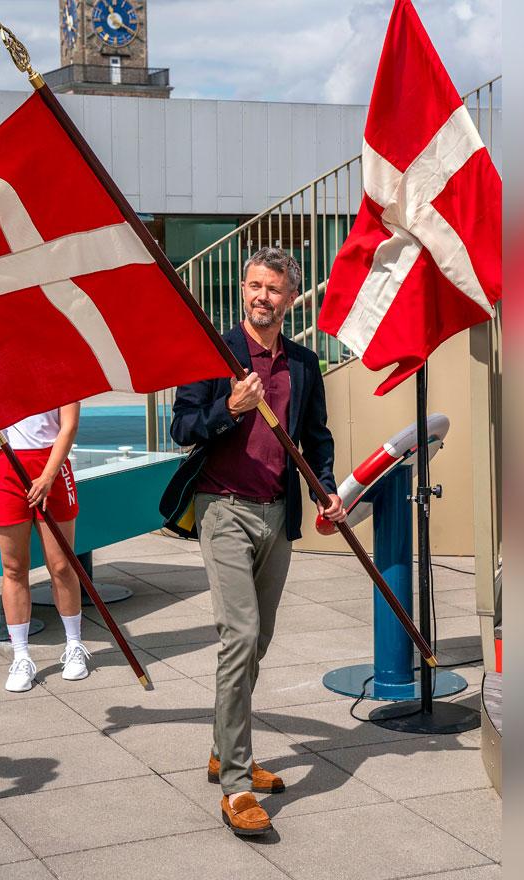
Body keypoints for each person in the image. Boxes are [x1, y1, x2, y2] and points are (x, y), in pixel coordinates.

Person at [159, 247, 345, 836]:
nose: (262, 296)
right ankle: (236, 784)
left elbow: (315, 438)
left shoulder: (305, 365)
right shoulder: (214, 353)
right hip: (223, 511)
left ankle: (223, 747)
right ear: (243, 289)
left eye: (274, 288)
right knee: (238, 636)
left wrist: (327, 490)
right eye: (253, 285)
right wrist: (228, 408)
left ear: (292, 298)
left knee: (257, 640)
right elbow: (182, 426)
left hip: (276, 515)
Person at [0, 403, 89, 692]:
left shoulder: (60, 365)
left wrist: (48, 476)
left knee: (61, 564)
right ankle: (21, 656)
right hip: (3, 463)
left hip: (50, 462)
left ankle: (75, 644)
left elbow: (69, 425)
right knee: (14, 567)